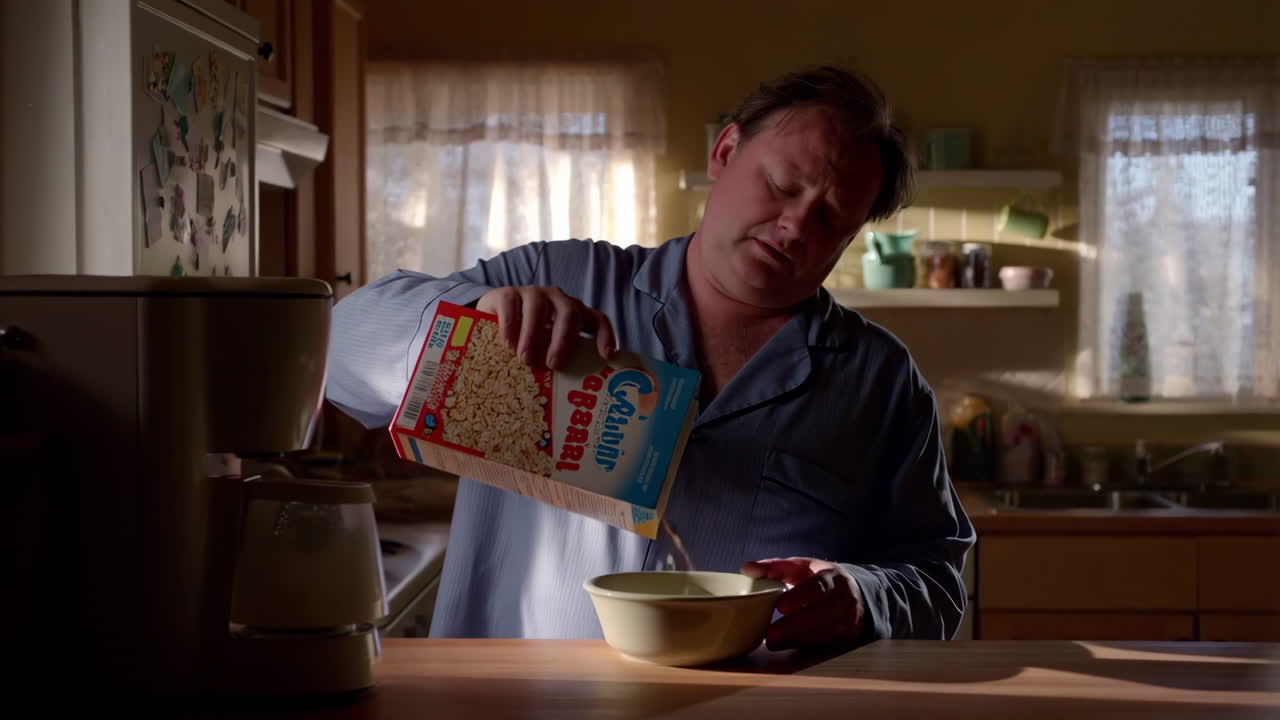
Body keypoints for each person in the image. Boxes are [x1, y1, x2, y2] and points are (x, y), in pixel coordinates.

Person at [327, 65, 975, 651]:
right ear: (725, 151)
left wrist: (867, 599)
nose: (796, 226)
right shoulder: (556, 276)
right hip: (519, 703)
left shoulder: (880, 381)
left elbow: (938, 582)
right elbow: (336, 353)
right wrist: (465, 322)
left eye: (830, 219)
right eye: (782, 185)